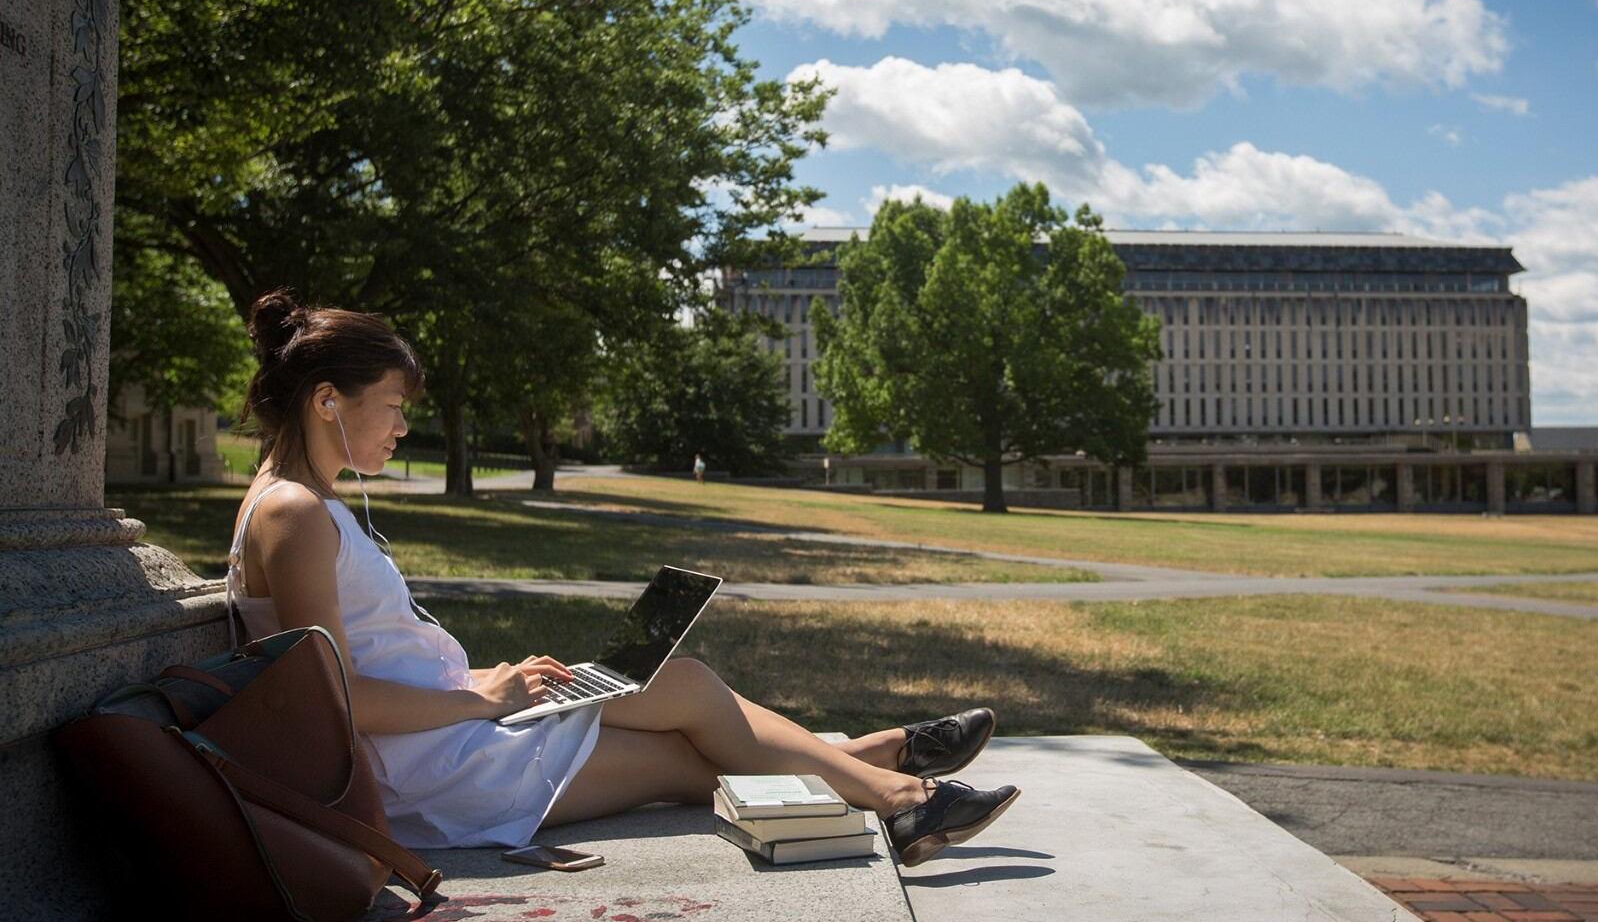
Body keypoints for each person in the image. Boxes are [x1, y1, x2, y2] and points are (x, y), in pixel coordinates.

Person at [223, 289, 1017, 865]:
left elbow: (369, 655)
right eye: (393, 405)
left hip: (452, 731)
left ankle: (871, 764)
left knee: (685, 685)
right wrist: (479, 699)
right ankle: (894, 791)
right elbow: (335, 702)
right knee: (686, 760)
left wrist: (488, 679)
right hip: (430, 773)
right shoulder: (293, 513)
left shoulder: (301, 501)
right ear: (328, 401)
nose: (403, 426)